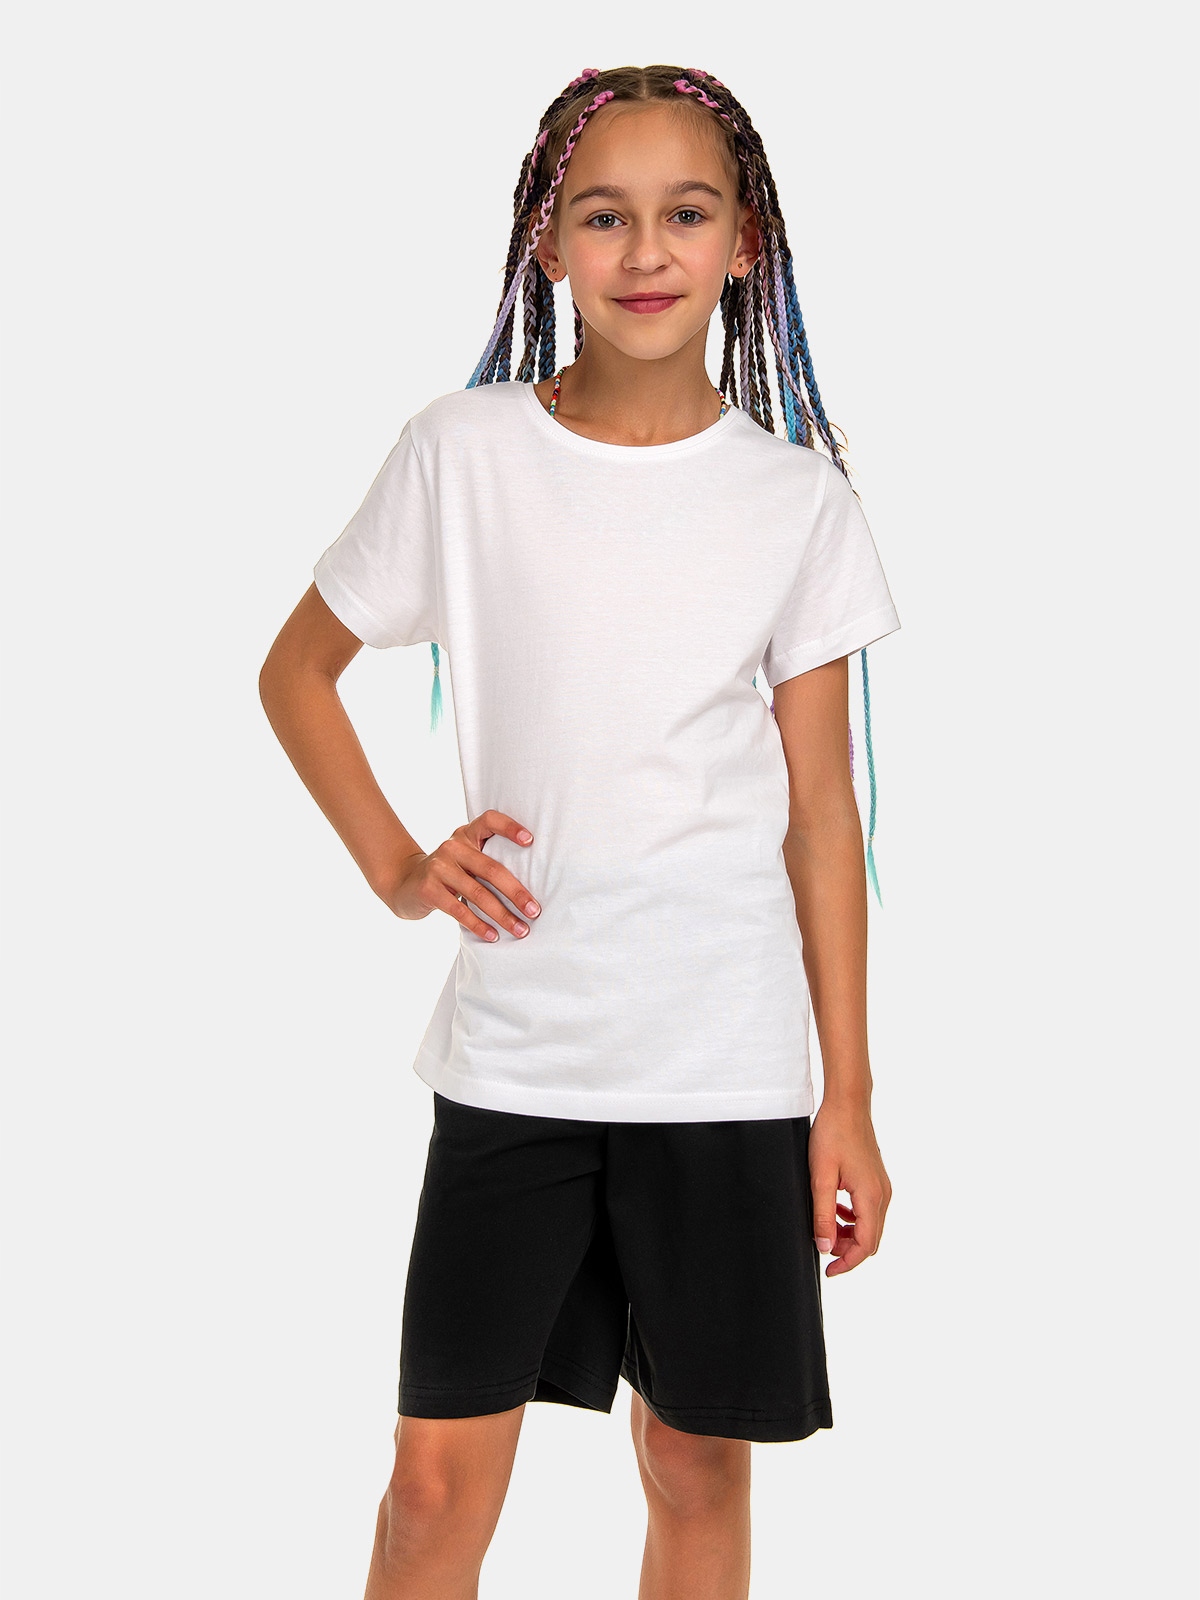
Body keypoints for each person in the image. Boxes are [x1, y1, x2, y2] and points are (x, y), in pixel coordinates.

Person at [259, 62, 901, 1600]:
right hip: (518, 1060)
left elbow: (824, 819)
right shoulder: (464, 453)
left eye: (687, 213)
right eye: (604, 217)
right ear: (547, 242)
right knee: (432, 1487)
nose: (646, 252)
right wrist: (399, 867)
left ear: (745, 241)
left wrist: (849, 1097)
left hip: (724, 1066)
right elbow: (297, 672)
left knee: (694, 1465)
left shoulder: (795, 504)